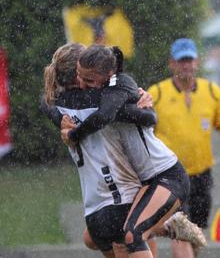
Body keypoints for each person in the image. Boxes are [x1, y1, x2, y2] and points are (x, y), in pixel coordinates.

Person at [61, 44, 206, 258]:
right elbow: (49, 104)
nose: (82, 85)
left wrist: (72, 135)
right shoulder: (100, 94)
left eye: (88, 80)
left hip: (166, 176)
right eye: (79, 78)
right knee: (91, 238)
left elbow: (114, 115)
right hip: (143, 181)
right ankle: (170, 227)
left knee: (132, 235)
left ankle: (170, 228)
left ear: (107, 75)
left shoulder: (118, 90)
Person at [42, 42, 158, 258]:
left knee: (91, 239)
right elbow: (149, 119)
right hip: (122, 201)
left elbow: (45, 101)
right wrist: (143, 100)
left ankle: (165, 224)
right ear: (79, 74)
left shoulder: (55, 102)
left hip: (94, 211)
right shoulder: (104, 101)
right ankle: (167, 224)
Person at [147, 38, 220, 258]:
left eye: (189, 60)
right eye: (181, 61)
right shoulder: (157, 94)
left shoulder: (212, 92)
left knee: (194, 233)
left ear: (197, 61)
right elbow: (143, 136)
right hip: (170, 178)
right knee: (181, 232)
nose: (185, 65)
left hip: (201, 174)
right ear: (172, 63)